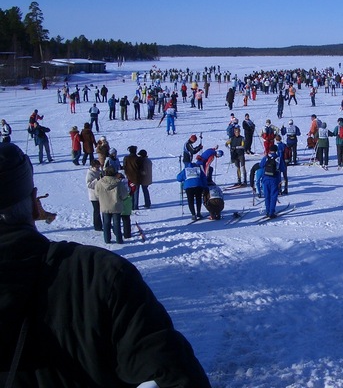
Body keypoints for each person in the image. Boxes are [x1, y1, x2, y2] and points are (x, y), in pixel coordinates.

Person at [0, 143, 211, 386]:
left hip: (105, 208)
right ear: (34, 202)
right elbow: (175, 375)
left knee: (109, 225)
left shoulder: (98, 274)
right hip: (112, 217)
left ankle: (112, 236)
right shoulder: (97, 276)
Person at [94, 166, 130, 244]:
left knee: (106, 223)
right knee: (117, 224)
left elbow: (96, 194)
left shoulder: (100, 182)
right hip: (116, 205)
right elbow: (124, 194)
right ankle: (119, 240)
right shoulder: (118, 182)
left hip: (104, 205)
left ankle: (107, 239)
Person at [259, 145, 282, 218]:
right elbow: (282, 168)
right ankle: (272, 212)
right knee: (273, 195)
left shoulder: (266, 158)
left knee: (267, 196)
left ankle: (267, 211)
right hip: (274, 179)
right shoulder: (278, 158)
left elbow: (261, 165)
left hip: (265, 179)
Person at [86, 158, 103, 232]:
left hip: (100, 194)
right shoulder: (90, 173)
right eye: (97, 167)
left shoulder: (99, 171)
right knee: (96, 211)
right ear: (93, 166)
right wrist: (97, 180)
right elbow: (89, 185)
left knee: (102, 210)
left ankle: (101, 224)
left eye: (99, 166)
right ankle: (97, 226)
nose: (98, 168)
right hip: (94, 196)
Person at [123, 145, 142, 210]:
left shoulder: (126, 158)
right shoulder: (138, 159)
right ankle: (135, 206)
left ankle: (130, 205)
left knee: (130, 192)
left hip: (129, 178)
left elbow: (124, 166)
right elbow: (141, 168)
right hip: (137, 178)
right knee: (136, 192)